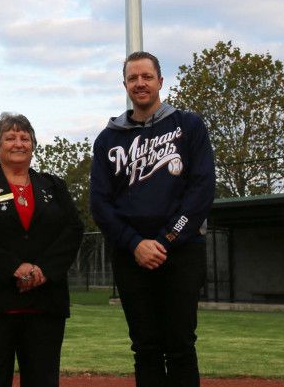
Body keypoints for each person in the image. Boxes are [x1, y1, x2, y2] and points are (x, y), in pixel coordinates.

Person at [89, 51, 215, 387]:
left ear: (160, 80)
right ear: (125, 85)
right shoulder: (108, 139)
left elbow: (201, 191)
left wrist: (166, 240)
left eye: (146, 76)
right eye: (133, 78)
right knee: (144, 346)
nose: (140, 83)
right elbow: (100, 204)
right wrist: (135, 244)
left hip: (182, 250)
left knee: (180, 345)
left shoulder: (189, 126)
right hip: (131, 256)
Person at [0, 112, 84, 387]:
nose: (18, 143)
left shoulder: (54, 186)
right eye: (10, 137)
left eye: (25, 138)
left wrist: (42, 271)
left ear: (33, 146)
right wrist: (13, 268)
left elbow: (73, 230)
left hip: (45, 304)